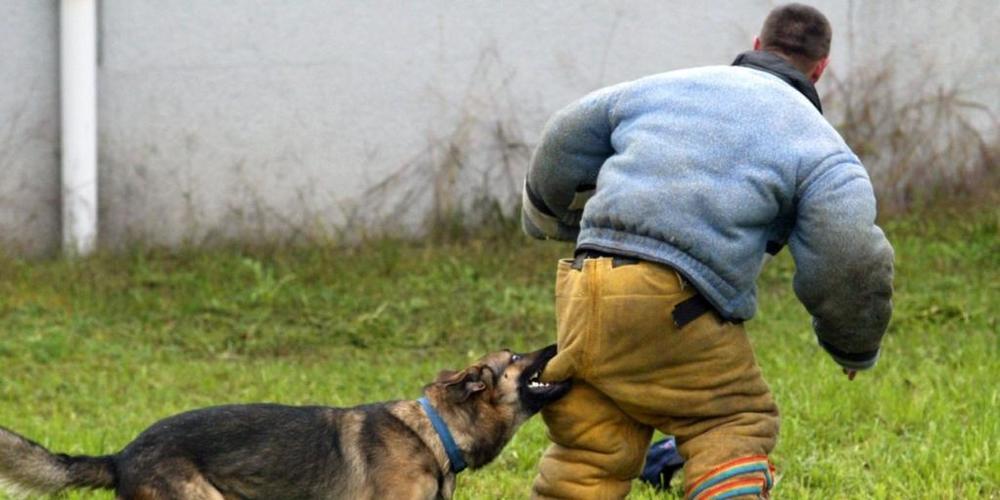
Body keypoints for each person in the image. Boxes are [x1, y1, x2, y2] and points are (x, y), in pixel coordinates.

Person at [521, 3, 894, 499]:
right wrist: (853, 343)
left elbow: (565, 132)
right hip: (678, 302)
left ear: (757, 47)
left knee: (593, 444)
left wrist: (548, 217)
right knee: (732, 420)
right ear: (820, 68)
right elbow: (850, 256)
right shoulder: (819, 144)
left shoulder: (660, 86)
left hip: (585, 286)